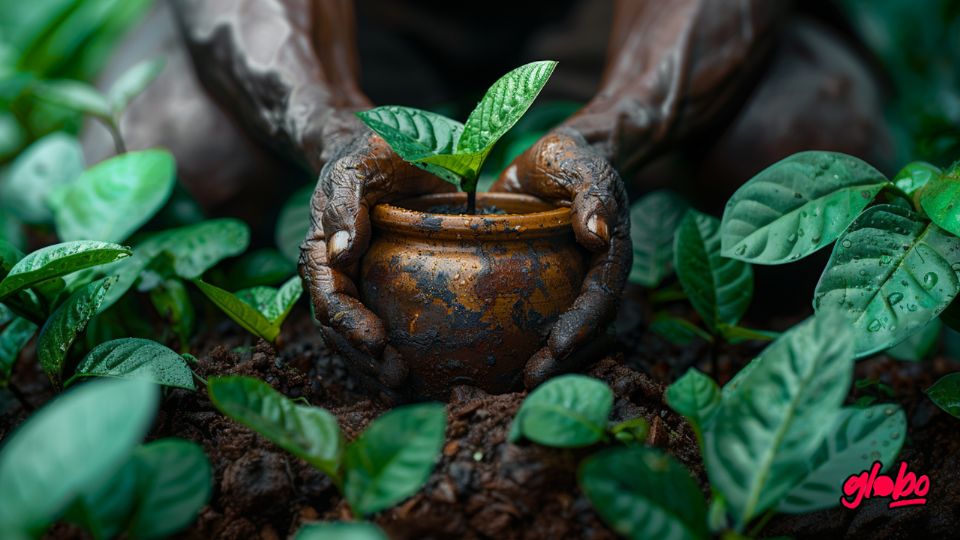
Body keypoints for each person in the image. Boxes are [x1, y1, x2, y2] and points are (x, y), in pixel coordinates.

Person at [85, 0, 891, 394]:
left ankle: (780, 343)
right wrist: (325, 125)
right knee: (183, 143)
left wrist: (615, 130)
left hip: (608, 32)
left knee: (797, 136)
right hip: (361, 37)